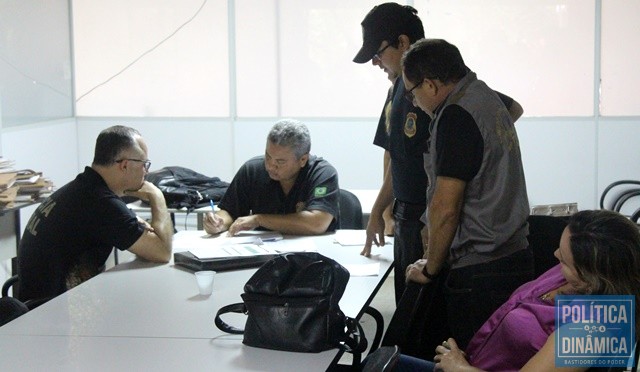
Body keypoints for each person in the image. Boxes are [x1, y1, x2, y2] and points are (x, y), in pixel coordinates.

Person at [354, 2, 523, 304]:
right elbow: (397, 157)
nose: (375, 62)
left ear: (403, 43)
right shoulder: (401, 90)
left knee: (429, 326)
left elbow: (447, 205)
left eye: (378, 53)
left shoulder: (455, 104)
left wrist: (476, 154)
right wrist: (381, 210)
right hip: (417, 221)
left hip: (448, 234)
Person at [403, 39, 534, 350]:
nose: (412, 102)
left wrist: (431, 267)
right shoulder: (484, 95)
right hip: (512, 253)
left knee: (472, 359)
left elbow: (446, 207)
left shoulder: (456, 116)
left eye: (412, 92)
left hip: (480, 272)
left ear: (431, 85)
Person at [395, 209, 640, 371]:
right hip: (474, 362)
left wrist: (461, 368)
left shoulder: (592, 331)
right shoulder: (569, 277)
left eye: (565, 259)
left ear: (592, 275)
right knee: (385, 360)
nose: (556, 256)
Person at [18, 125, 173, 303]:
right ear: (125, 165)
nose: (146, 172)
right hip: (54, 313)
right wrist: (157, 196)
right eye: (144, 164)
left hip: (42, 303)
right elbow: (162, 252)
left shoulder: (83, 189)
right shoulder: (100, 202)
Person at [203, 119, 339, 236]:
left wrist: (259, 219)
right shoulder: (253, 170)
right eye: (268, 156)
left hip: (314, 255)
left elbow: (318, 223)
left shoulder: (322, 173)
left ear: (303, 159)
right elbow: (229, 212)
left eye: (280, 162)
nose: (270, 166)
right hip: (264, 253)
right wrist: (218, 223)